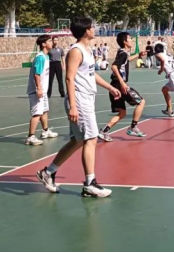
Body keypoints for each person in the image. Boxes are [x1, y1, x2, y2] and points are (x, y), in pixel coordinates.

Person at [36, 16, 122, 198]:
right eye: (92, 27)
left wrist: (109, 87)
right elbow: (69, 78)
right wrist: (73, 106)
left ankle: (48, 172)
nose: (94, 29)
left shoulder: (87, 50)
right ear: (86, 31)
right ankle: (90, 183)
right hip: (79, 100)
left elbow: (90, 74)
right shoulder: (75, 51)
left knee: (77, 140)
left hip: (87, 99)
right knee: (91, 139)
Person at [99, 32, 147, 141]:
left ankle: (104, 131)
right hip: (119, 85)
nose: (131, 40)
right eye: (129, 38)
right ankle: (133, 127)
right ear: (125, 41)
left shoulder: (122, 52)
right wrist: (122, 82)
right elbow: (114, 67)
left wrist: (138, 55)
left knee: (122, 112)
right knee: (141, 102)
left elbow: (126, 61)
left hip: (114, 85)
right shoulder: (123, 54)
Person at [26, 35, 59, 146]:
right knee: (37, 113)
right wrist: (39, 88)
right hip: (37, 91)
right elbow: (37, 74)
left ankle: (45, 131)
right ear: (44, 44)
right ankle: (30, 137)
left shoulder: (46, 56)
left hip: (43, 90)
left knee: (44, 111)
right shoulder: (40, 57)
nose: (52, 42)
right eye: (49, 41)